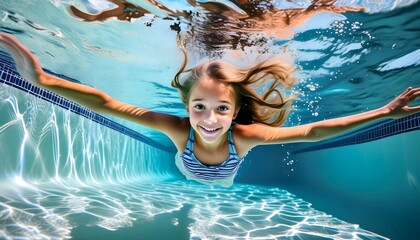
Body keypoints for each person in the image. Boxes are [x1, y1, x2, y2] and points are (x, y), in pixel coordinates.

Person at [0, 33, 419, 187]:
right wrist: (44, 81)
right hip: (188, 171)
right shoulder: (179, 130)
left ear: (236, 113)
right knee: (187, 175)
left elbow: (312, 132)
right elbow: (109, 104)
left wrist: (381, 113)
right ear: (187, 106)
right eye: (199, 106)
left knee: (219, 187)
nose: (210, 119)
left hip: (225, 180)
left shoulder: (245, 136)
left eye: (221, 108)